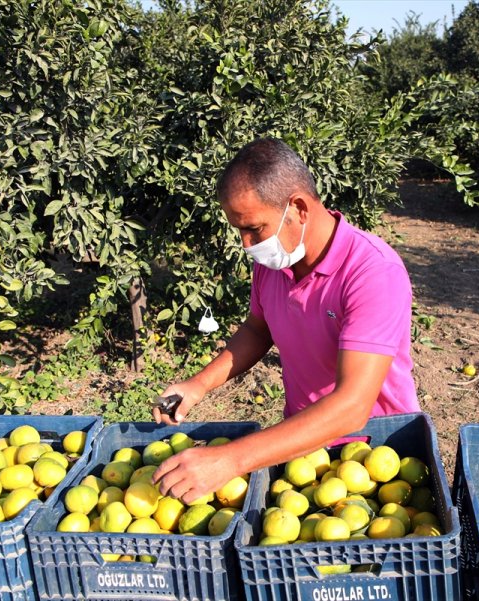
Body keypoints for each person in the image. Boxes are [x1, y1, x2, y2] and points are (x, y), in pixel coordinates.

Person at [152, 137, 419, 503]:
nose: (247, 245)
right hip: (301, 447)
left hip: (378, 459)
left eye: (255, 229)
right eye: (239, 231)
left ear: (297, 208)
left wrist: (230, 460)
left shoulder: (372, 273)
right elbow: (257, 329)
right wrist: (199, 384)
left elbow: (353, 405)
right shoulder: (276, 263)